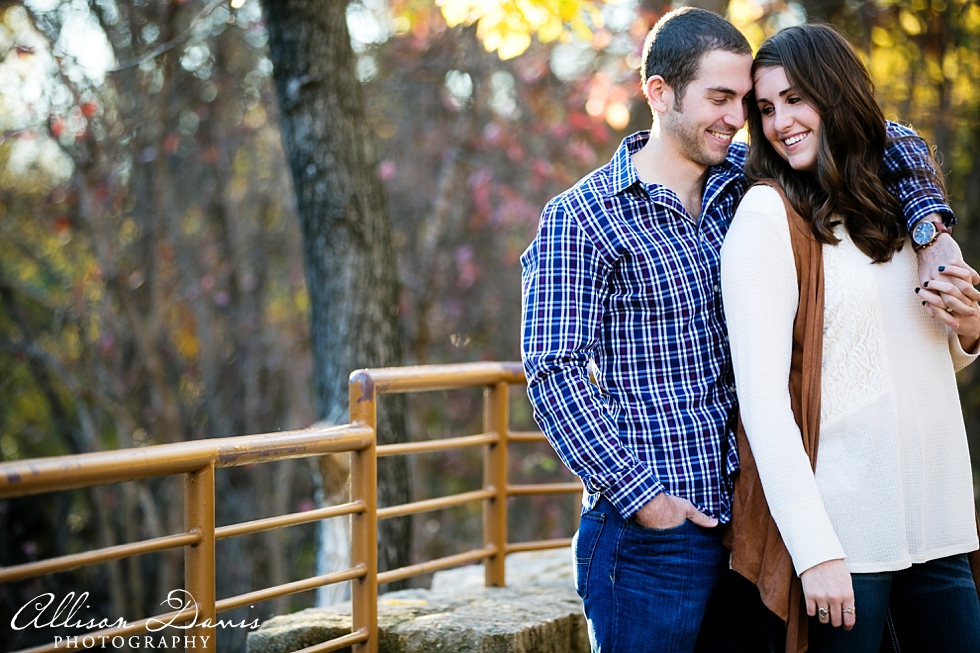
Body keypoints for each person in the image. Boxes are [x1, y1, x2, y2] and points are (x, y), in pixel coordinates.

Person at [521, 8, 978, 653]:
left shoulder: (743, 183)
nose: (739, 118)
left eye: (746, 101)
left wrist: (930, 231)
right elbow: (552, 371)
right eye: (722, 98)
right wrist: (645, 500)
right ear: (659, 93)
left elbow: (882, 135)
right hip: (656, 534)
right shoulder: (583, 216)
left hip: (746, 519)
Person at [721, 23, 980, 653]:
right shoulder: (766, 216)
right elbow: (762, 405)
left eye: (795, 99)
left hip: (939, 525)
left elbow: (919, 361)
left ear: (836, 94)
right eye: (766, 108)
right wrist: (815, 553)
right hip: (847, 541)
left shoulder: (904, 211)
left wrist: (970, 330)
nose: (780, 123)